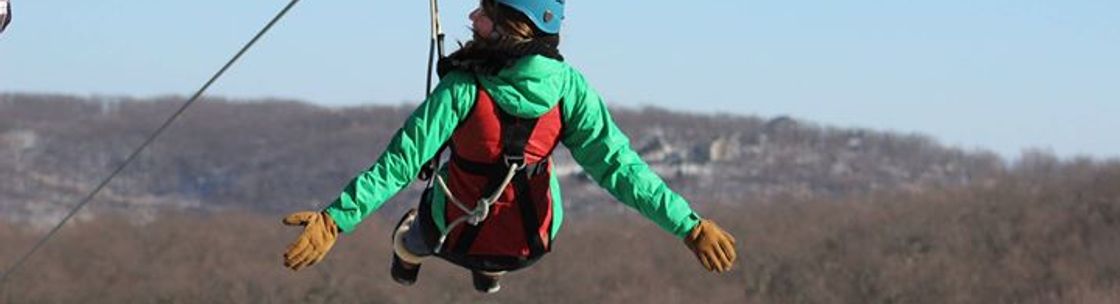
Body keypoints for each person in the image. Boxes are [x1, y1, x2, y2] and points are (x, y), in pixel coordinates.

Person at [282, 0, 737, 294]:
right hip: (532, 242)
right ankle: (491, 271)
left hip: (451, 231)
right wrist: (689, 226)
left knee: (415, 231)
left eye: (484, 13)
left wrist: (336, 220)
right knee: (520, 196)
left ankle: (408, 256)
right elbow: (621, 169)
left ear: (509, 29)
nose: (473, 21)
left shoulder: (463, 87)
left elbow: (401, 163)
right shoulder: (568, 89)